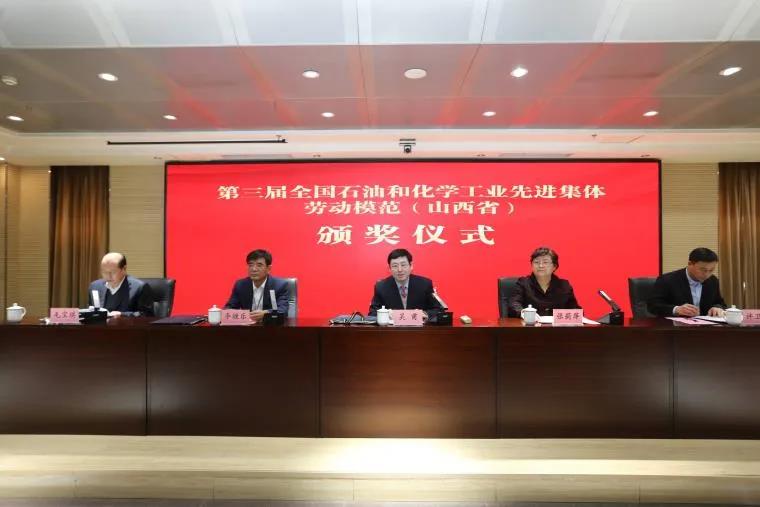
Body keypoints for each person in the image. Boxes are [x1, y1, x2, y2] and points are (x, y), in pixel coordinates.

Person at [647, 247, 726, 317]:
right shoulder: (667, 280)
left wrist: (717, 308)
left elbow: (720, 302)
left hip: (705, 326)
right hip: (674, 326)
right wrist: (676, 309)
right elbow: (653, 306)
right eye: (703, 270)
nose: (707, 274)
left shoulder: (713, 281)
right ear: (690, 264)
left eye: (711, 270)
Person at [368, 248, 444, 317]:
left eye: (403, 265)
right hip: (392, 327)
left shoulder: (425, 284)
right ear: (389, 269)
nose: (400, 269)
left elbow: (439, 309)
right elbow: (372, 313)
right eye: (395, 266)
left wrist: (425, 314)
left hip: (418, 327)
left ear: (411, 266)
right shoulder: (381, 287)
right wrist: (386, 313)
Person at [507, 246, 580, 317]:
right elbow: (514, 304)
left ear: (554, 266)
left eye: (545, 262)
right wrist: (525, 314)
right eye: (536, 262)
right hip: (531, 324)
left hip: (555, 325)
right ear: (532, 265)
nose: (541, 266)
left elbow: (575, 310)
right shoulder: (523, 283)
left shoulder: (564, 286)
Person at [225, 249, 290, 323]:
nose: (254, 269)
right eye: (250, 265)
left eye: (259, 265)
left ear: (268, 269)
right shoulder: (241, 285)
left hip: (270, 326)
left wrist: (266, 313)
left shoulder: (279, 285)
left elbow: (283, 310)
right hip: (247, 327)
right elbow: (229, 308)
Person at [88, 252, 154, 317]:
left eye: (113, 272)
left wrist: (122, 315)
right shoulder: (95, 287)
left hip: (126, 324)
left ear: (124, 269)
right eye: (104, 272)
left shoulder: (140, 288)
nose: (108, 276)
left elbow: (147, 315)